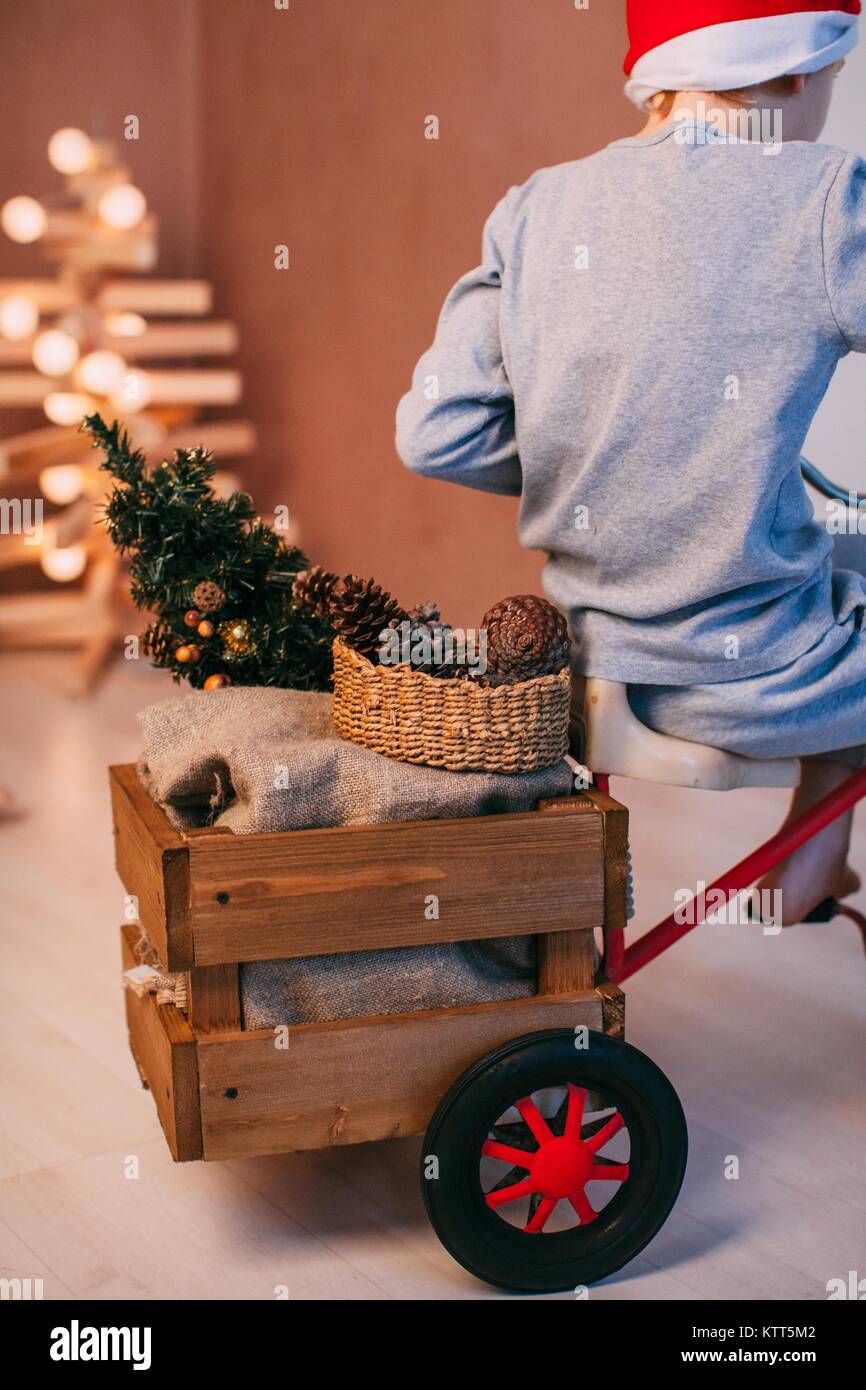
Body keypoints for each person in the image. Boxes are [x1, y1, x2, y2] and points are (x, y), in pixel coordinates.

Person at [395, 1, 866, 924]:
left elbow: (435, 431)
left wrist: (601, 467)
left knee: (843, 552)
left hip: (592, 655)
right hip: (749, 677)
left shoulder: (537, 206)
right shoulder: (824, 196)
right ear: (801, 69)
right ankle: (815, 844)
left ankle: (815, 851)